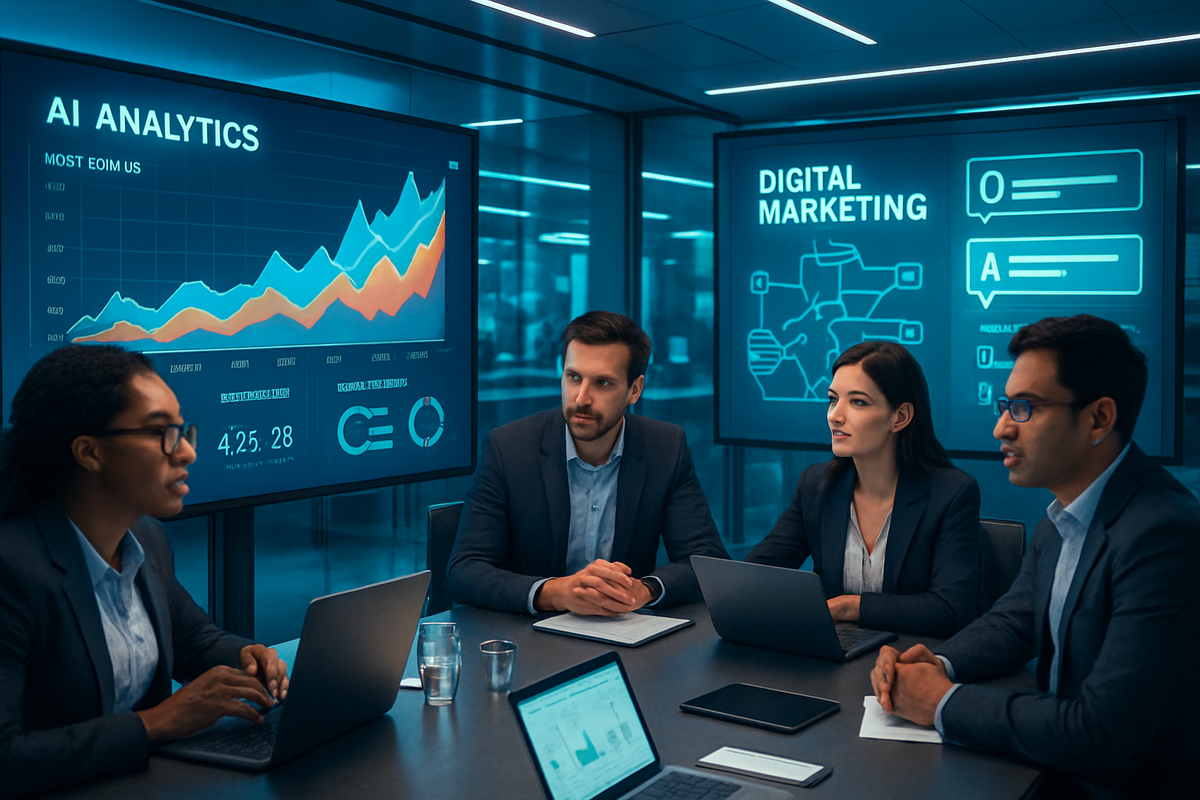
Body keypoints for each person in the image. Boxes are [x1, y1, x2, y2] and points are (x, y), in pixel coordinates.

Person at [871, 315, 1200, 798]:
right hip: (1050, 770)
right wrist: (940, 663)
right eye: (1006, 405)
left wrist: (943, 702)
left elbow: (1099, 732)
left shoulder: (1164, 534)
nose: (1002, 427)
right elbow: (1014, 622)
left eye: (1025, 408)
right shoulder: (1064, 515)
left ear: (1098, 419)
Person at [0, 345, 289, 796]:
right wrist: (157, 723)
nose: (187, 452)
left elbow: (194, 640)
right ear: (88, 451)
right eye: (161, 433)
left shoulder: (146, 540)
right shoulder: (12, 569)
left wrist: (247, 658)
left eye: (182, 430)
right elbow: (6, 758)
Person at [446, 310, 729, 616]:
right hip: (530, 638)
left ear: (634, 389)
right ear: (561, 371)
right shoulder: (509, 449)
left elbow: (706, 561)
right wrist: (555, 592)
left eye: (603, 383)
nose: (581, 398)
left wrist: (644, 590)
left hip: (624, 634)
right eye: (574, 377)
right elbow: (464, 571)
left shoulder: (665, 448)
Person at [746, 341, 981, 637]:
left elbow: (950, 610)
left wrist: (852, 607)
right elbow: (753, 576)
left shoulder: (953, 494)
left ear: (900, 417)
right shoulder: (816, 486)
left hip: (910, 661)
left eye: (857, 402)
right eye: (833, 400)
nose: (835, 415)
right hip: (832, 661)